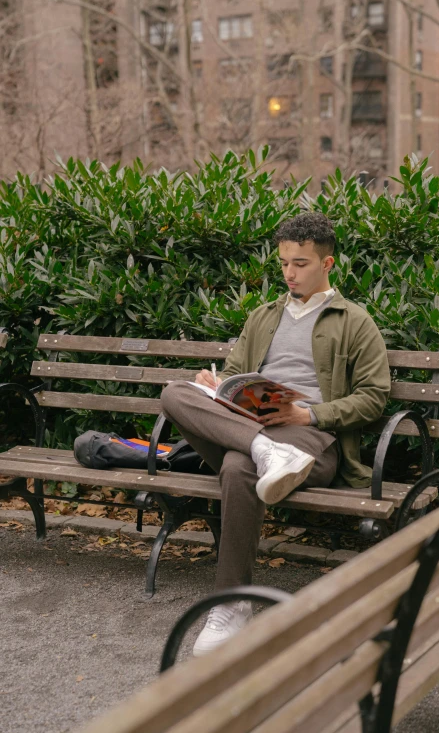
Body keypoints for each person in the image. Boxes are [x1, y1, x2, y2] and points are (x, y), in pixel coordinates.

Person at [160, 212, 391, 655]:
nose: (289, 272)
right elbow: (233, 375)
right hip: (251, 425)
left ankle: (231, 604)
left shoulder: (354, 321)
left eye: (300, 263)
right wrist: (215, 387)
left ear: (328, 264)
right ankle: (263, 450)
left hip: (310, 441)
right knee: (175, 394)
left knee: (235, 466)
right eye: (284, 262)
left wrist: (309, 416)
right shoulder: (264, 316)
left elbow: (374, 398)